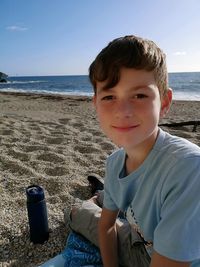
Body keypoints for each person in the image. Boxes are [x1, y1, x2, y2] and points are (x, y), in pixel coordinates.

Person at [40, 35, 200, 267]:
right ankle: (103, 196)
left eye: (139, 95)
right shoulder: (115, 163)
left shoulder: (188, 168)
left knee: (78, 213)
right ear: (95, 104)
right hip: (141, 239)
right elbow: (106, 227)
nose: (122, 111)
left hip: (147, 254)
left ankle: (100, 197)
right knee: (95, 211)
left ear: (164, 102)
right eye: (109, 97)